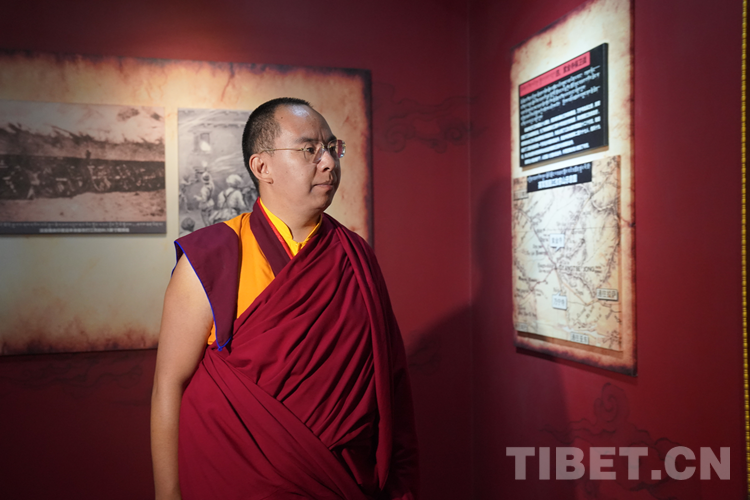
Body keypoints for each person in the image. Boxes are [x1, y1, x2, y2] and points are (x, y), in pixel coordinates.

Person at [151, 97, 419, 500]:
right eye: (310, 149)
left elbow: (391, 381)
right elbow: (169, 385)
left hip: (342, 480)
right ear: (262, 167)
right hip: (237, 479)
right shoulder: (212, 258)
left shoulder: (355, 256)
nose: (328, 162)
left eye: (332, 147)